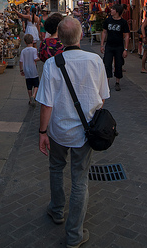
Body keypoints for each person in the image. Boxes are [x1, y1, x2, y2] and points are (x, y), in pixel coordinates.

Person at [36, 17, 109, 248]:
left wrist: (42, 132)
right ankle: (75, 235)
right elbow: (102, 99)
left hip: (58, 131)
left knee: (56, 168)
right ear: (79, 36)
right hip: (85, 133)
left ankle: (57, 210)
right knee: (80, 180)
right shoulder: (95, 60)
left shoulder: (51, 64)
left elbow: (46, 104)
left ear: (59, 37)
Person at [100, 4, 130, 91]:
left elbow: (127, 35)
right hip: (109, 45)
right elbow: (104, 32)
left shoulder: (123, 22)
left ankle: (117, 82)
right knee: (107, 63)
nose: (111, 10)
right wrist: (102, 45)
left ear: (117, 11)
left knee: (118, 64)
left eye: (113, 9)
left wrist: (126, 49)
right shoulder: (108, 20)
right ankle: (107, 83)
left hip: (119, 46)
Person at [19, 34, 40, 106]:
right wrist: (40, 58)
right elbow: (35, 58)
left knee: (29, 85)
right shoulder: (34, 50)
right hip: (33, 69)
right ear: (33, 41)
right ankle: (34, 95)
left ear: (25, 42)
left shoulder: (23, 51)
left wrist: (21, 70)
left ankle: (30, 99)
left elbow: (21, 61)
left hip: (26, 70)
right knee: (36, 84)